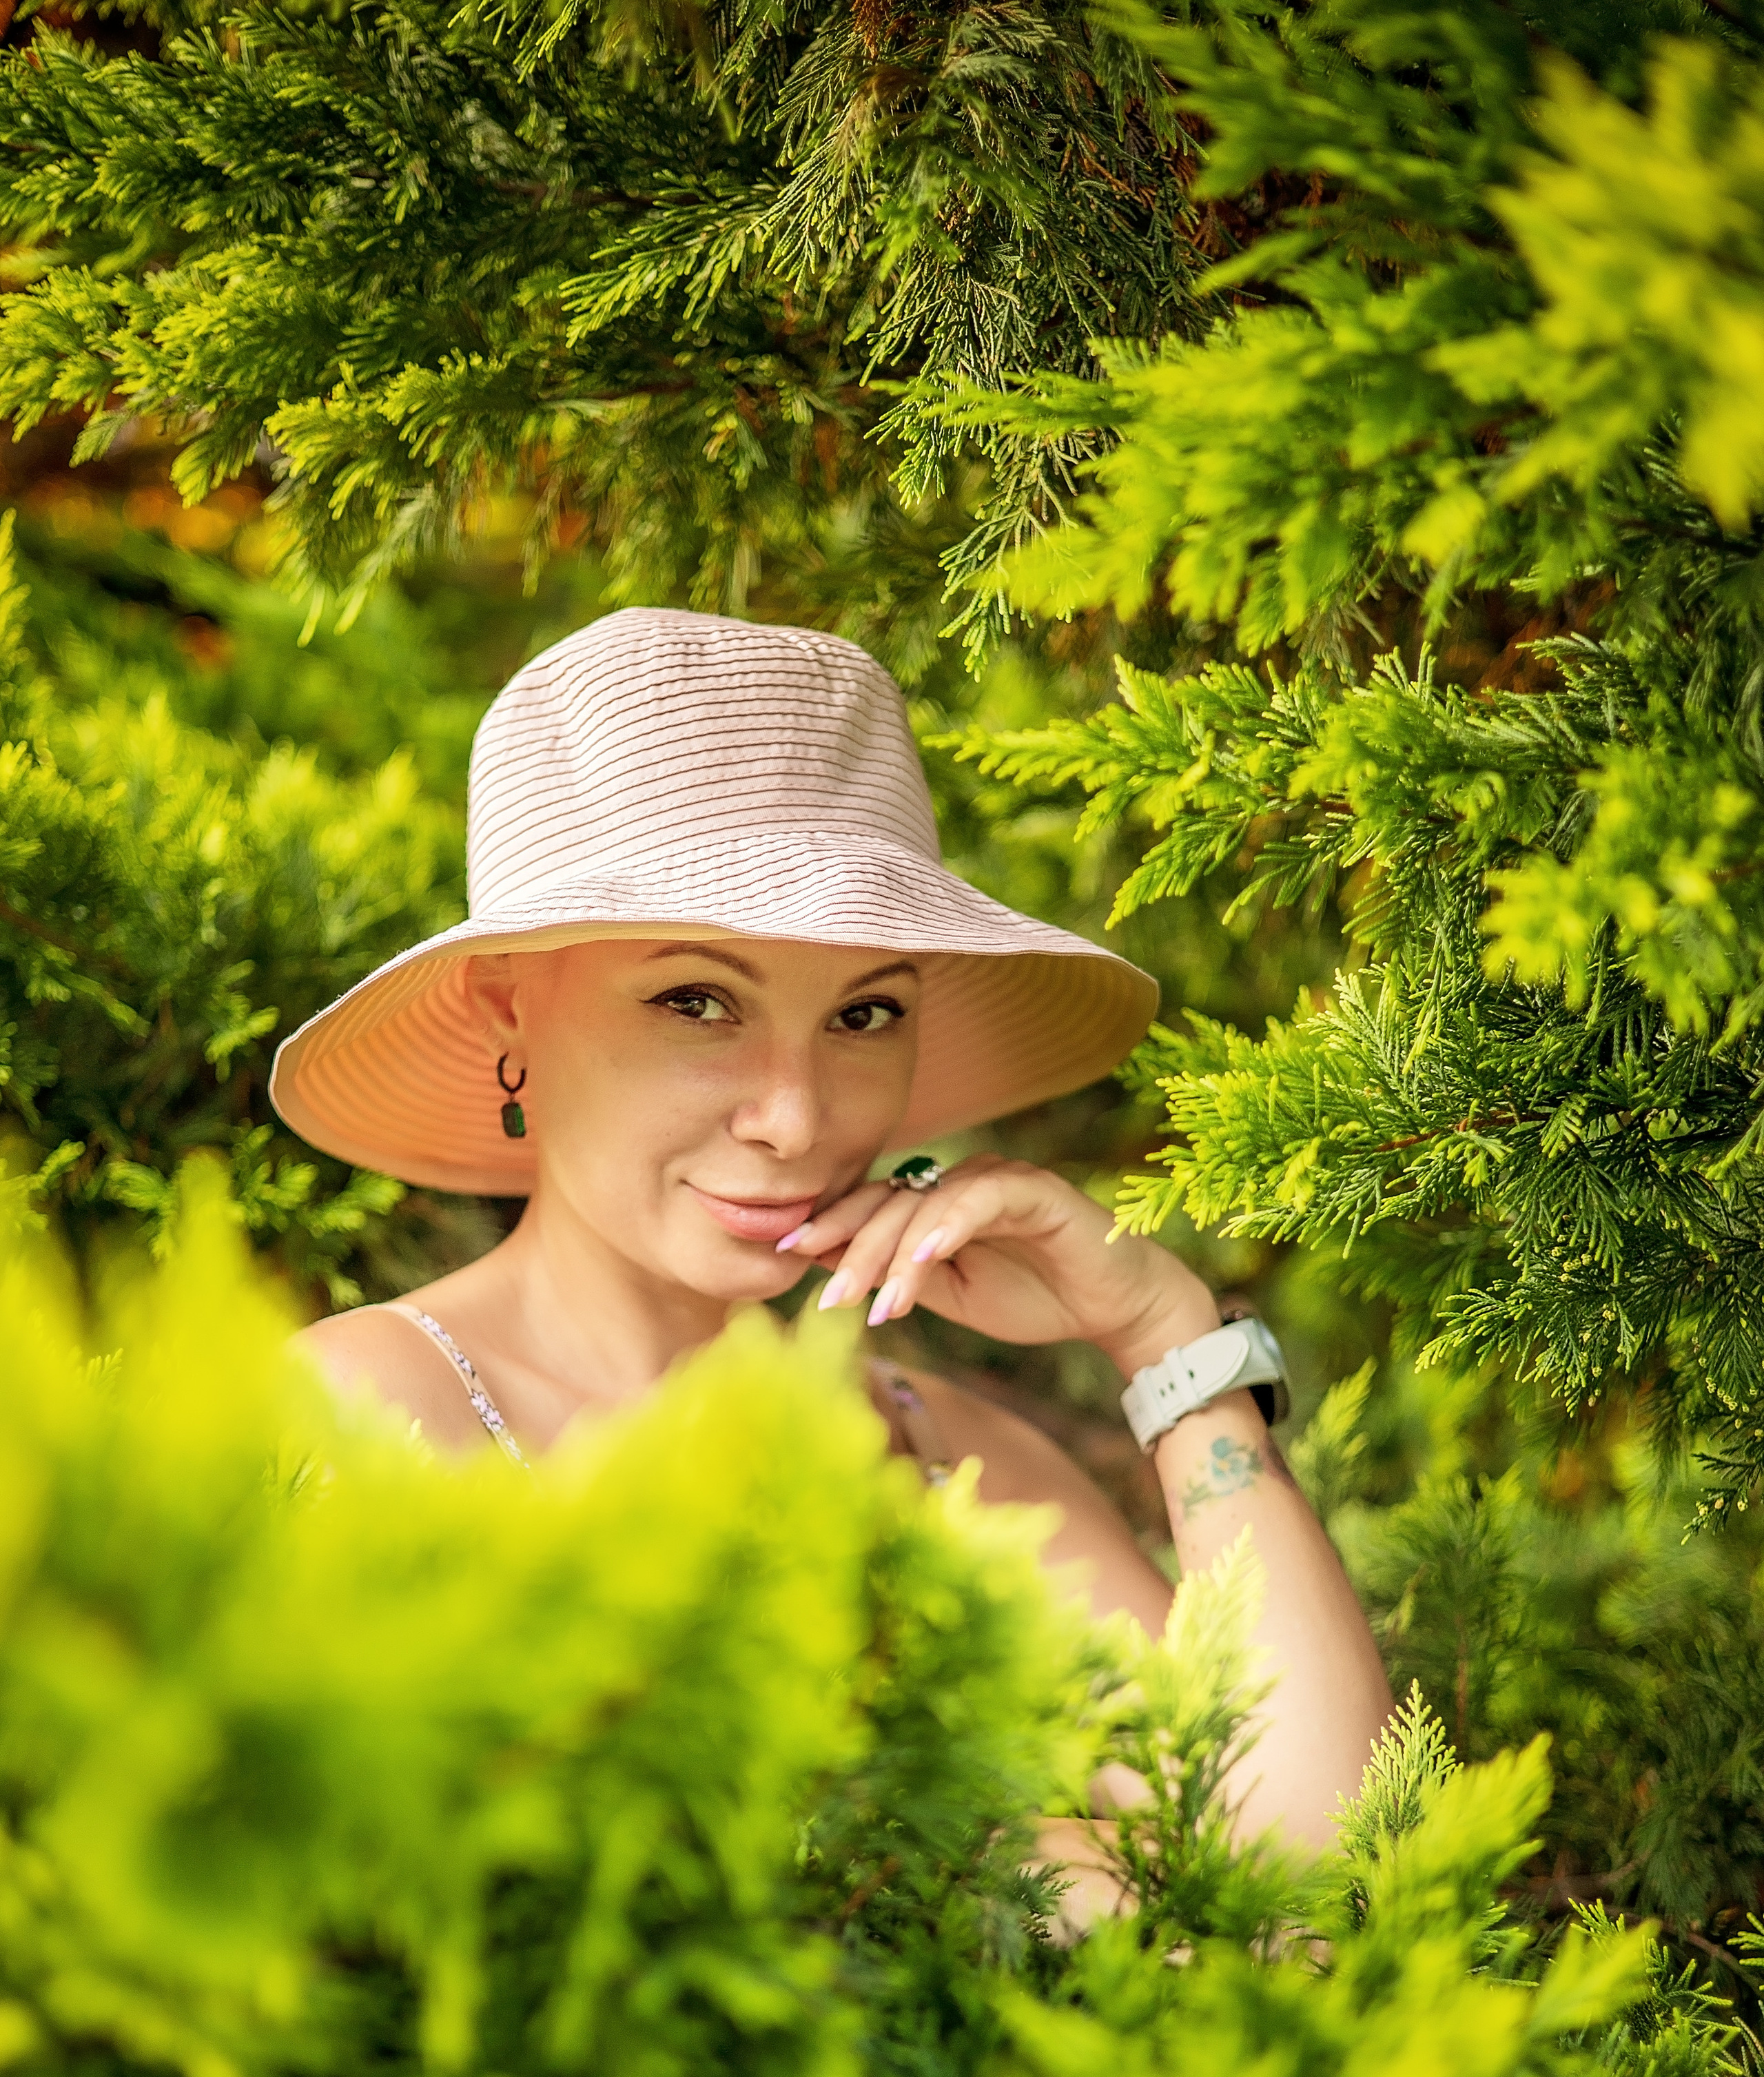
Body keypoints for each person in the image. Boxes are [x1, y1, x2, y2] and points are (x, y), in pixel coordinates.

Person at [274, 609, 1391, 1878]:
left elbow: (1312, 1877)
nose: (797, 1118)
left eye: (864, 1014)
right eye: (697, 1001)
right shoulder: (354, 1419)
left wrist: (1166, 1341)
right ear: (507, 1008)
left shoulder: (943, 1452)